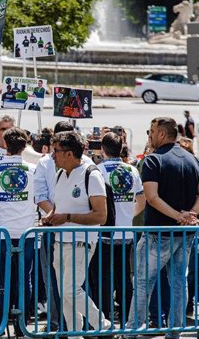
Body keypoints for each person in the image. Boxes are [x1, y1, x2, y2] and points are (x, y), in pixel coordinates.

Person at [126, 117, 199, 339]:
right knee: (179, 283)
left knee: (142, 283)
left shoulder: (153, 161)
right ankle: (175, 331)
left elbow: (152, 198)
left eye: (151, 132)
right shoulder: (193, 160)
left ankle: (132, 330)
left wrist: (181, 216)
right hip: (185, 234)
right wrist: (190, 216)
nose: (149, 136)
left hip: (159, 233)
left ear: (161, 134)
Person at [42, 131, 112, 337]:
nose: (53, 155)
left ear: (69, 153)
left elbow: (101, 215)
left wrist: (67, 217)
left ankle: (102, 324)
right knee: (65, 295)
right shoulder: (59, 174)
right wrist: (50, 216)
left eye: (56, 151)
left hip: (80, 242)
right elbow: (58, 206)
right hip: (59, 241)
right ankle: (75, 333)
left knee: (70, 290)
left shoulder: (92, 174)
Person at [88, 131, 144, 326]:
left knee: (103, 278)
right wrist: (128, 215)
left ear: (103, 149)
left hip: (104, 233)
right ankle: (128, 321)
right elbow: (142, 201)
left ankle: (103, 321)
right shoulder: (132, 170)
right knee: (124, 278)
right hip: (126, 232)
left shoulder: (97, 170)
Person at [0, 127, 36, 337]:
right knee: (23, 279)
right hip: (24, 232)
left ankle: (0, 323)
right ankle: (21, 325)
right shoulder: (34, 170)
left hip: (3, 233)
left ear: (5, 144)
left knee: (1, 279)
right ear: (25, 145)